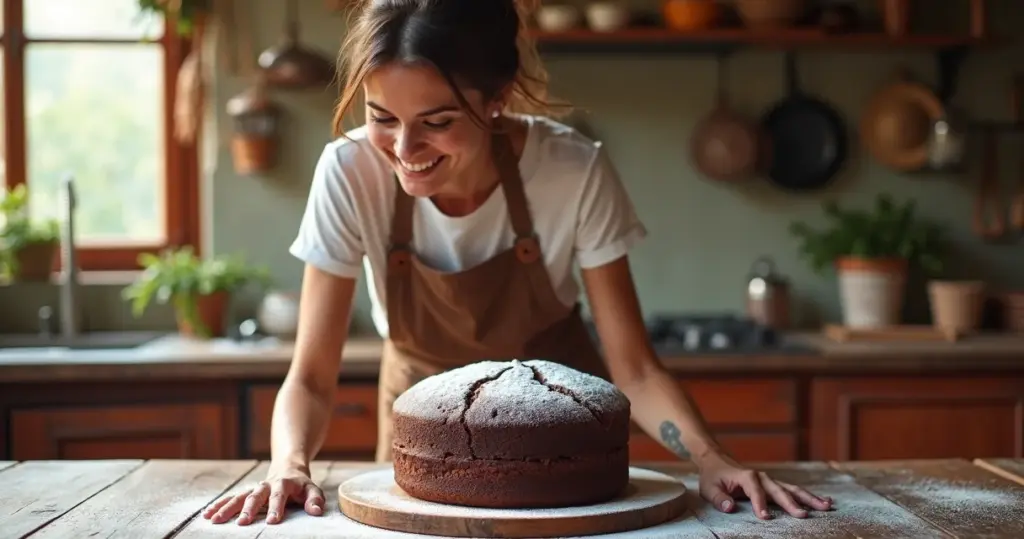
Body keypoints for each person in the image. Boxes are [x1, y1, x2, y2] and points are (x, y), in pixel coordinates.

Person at [202, 0, 833, 527]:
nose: (404, 148)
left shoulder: (572, 170)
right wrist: (288, 465)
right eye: (381, 118)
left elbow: (634, 368)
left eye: (437, 121)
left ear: (498, 98)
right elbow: (311, 376)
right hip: (424, 437)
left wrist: (708, 456)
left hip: (560, 441)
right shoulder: (349, 173)